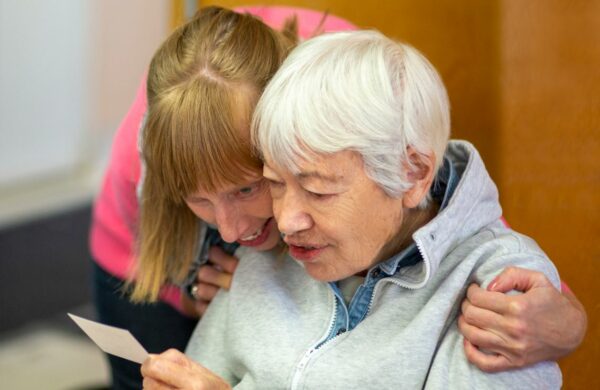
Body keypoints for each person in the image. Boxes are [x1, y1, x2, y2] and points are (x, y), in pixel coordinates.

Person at [89, 5, 585, 388]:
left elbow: (486, 248)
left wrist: (567, 322)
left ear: (411, 172)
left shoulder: (353, 87)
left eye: (315, 188)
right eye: (277, 184)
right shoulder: (163, 161)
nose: (278, 223)